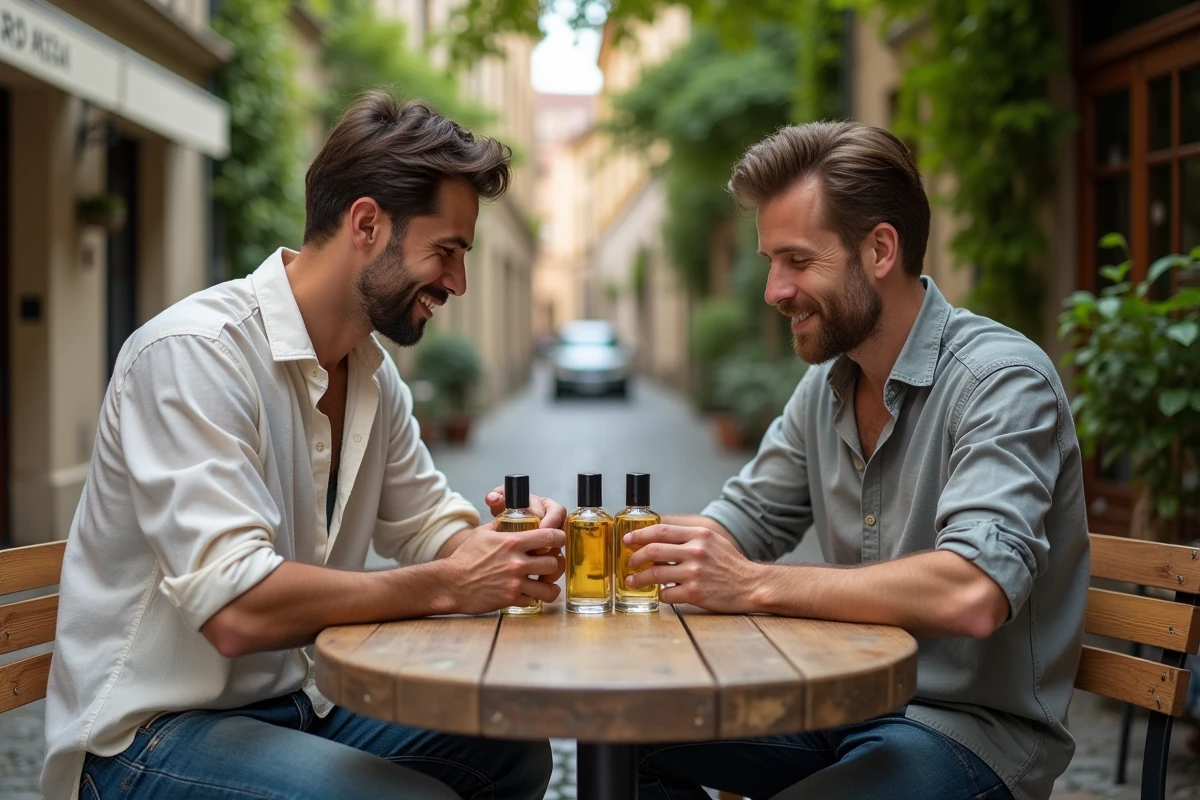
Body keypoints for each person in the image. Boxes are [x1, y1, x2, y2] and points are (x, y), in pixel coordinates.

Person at [42, 91, 566, 800]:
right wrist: (449, 583)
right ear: (367, 224)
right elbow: (236, 610)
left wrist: (505, 545)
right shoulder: (195, 353)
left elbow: (428, 526)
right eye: (446, 251)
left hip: (300, 709)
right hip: (144, 739)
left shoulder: (374, 376)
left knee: (512, 750)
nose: (458, 283)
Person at [621, 122, 1089, 800]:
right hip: (839, 705)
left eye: (797, 261)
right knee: (628, 735)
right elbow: (737, 523)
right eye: (771, 262)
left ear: (879, 250)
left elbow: (973, 592)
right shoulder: (826, 386)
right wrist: (597, 546)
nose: (774, 290)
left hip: (966, 733)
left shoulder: (1001, 381)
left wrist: (752, 584)